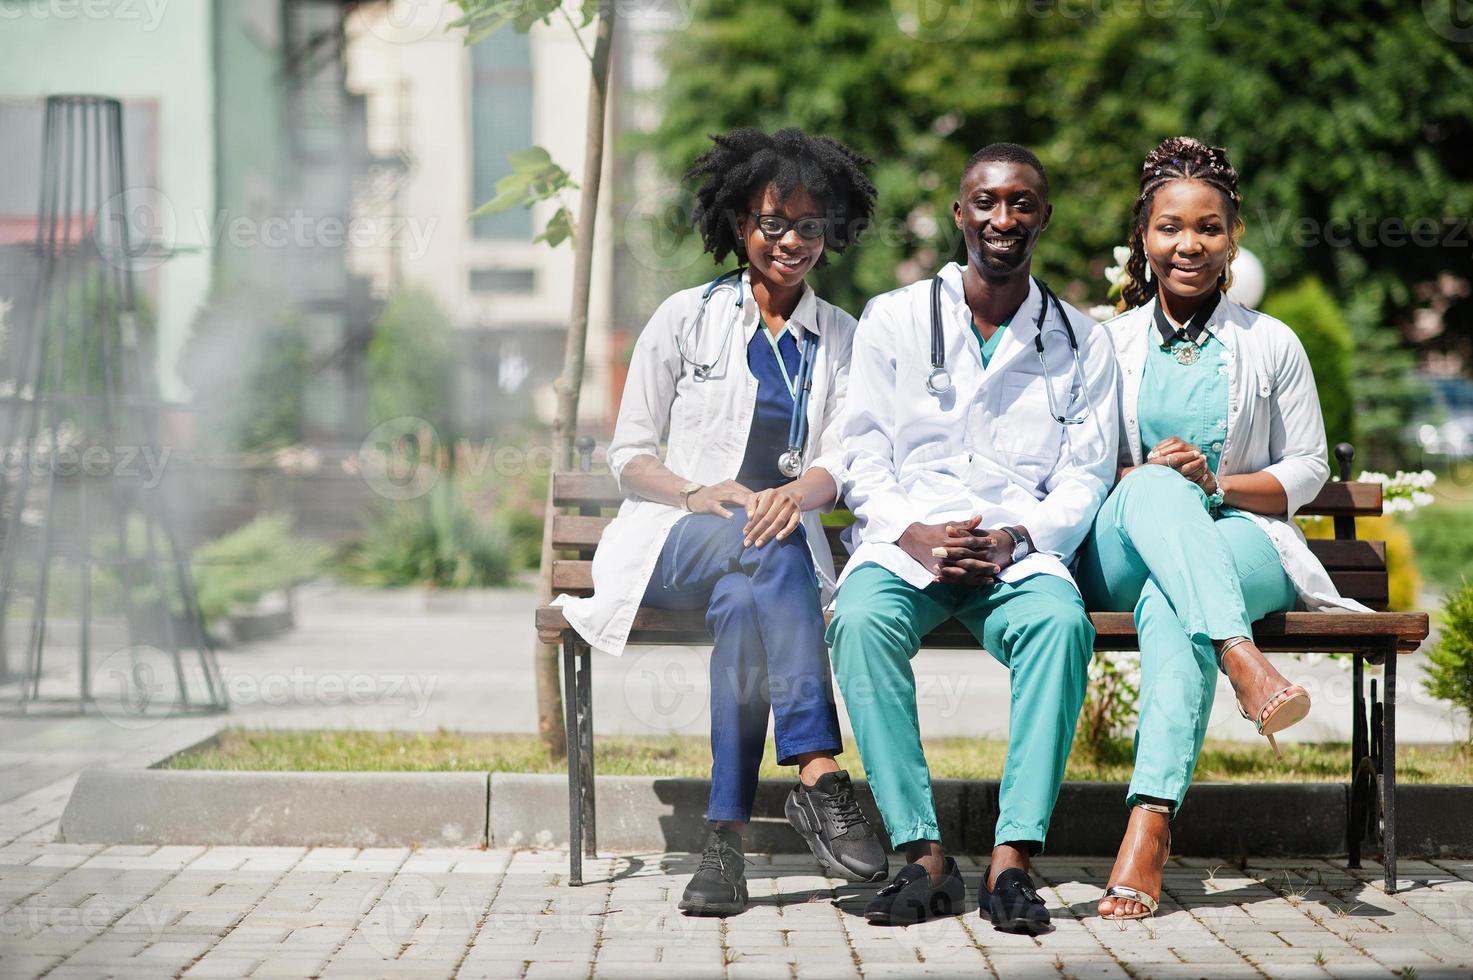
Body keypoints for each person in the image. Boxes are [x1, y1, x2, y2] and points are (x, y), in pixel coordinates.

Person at [552, 128, 887, 916]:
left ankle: (722, 846)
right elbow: (628, 454)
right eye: (775, 223)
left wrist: (796, 496)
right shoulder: (685, 318)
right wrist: (697, 493)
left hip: (763, 561)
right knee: (762, 554)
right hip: (672, 542)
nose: (792, 241)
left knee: (750, 594)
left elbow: (842, 460)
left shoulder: (840, 338)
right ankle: (817, 770)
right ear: (741, 223)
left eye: (811, 226)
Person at [1078, 136, 1372, 921]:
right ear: (1143, 236)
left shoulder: (1268, 341)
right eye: (1170, 227)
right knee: (1151, 488)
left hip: (1242, 541)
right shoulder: (1103, 344)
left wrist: (1218, 482)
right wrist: (1154, 483)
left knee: (1178, 610)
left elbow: (1307, 466)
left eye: (1208, 227)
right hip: (1126, 544)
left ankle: (1147, 827)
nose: (1189, 244)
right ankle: (1242, 658)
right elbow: (1072, 468)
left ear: (1231, 236)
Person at [828, 143, 1120, 931]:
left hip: (1014, 557)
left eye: (1021, 203)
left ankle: (1011, 863)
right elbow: (860, 450)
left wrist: (1018, 537)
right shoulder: (892, 318)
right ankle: (921, 857)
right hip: (909, 544)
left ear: (1043, 218)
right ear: (959, 214)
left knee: (1060, 629)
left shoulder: (1082, 341)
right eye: (985, 202)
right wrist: (910, 532)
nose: (1003, 218)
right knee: (857, 621)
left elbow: (1087, 475)